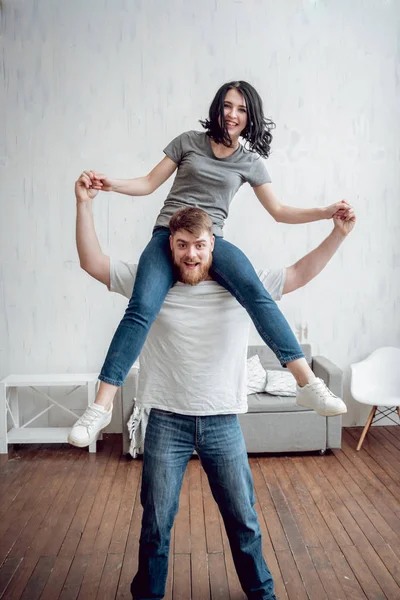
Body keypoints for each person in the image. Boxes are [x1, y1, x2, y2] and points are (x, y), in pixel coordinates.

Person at [71, 181, 355, 599]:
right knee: (155, 527)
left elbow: (298, 273)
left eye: (200, 245)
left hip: (223, 421)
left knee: (244, 523)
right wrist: (84, 206)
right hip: (166, 419)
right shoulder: (149, 282)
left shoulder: (241, 283)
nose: (191, 254)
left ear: (213, 245)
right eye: (183, 244)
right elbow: (92, 262)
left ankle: (262, 594)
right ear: (170, 244)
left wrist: (338, 234)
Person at [69, 80, 351, 448]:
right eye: (227, 106)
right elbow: (149, 183)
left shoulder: (249, 162)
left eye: (242, 109)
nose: (232, 115)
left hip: (210, 241)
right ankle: (101, 407)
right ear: (217, 108)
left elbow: (279, 212)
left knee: (256, 293)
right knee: (141, 307)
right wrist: (109, 185)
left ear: (251, 117)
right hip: (168, 235)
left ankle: (308, 385)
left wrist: (326, 212)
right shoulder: (188, 142)